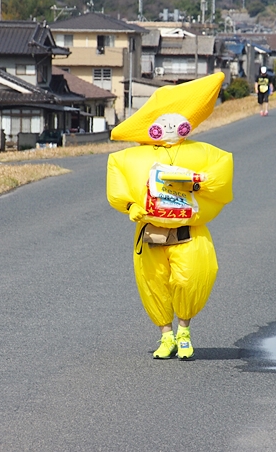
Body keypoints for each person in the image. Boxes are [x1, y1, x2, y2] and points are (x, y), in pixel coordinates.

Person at [106, 73, 234, 361]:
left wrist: (197, 183)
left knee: (191, 278)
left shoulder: (202, 152)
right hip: (151, 232)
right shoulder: (131, 157)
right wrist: (130, 206)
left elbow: (222, 174)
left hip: (189, 230)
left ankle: (184, 332)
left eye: (173, 123)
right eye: (162, 124)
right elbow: (117, 181)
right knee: (154, 282)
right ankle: (166, 336)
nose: (168, 129)